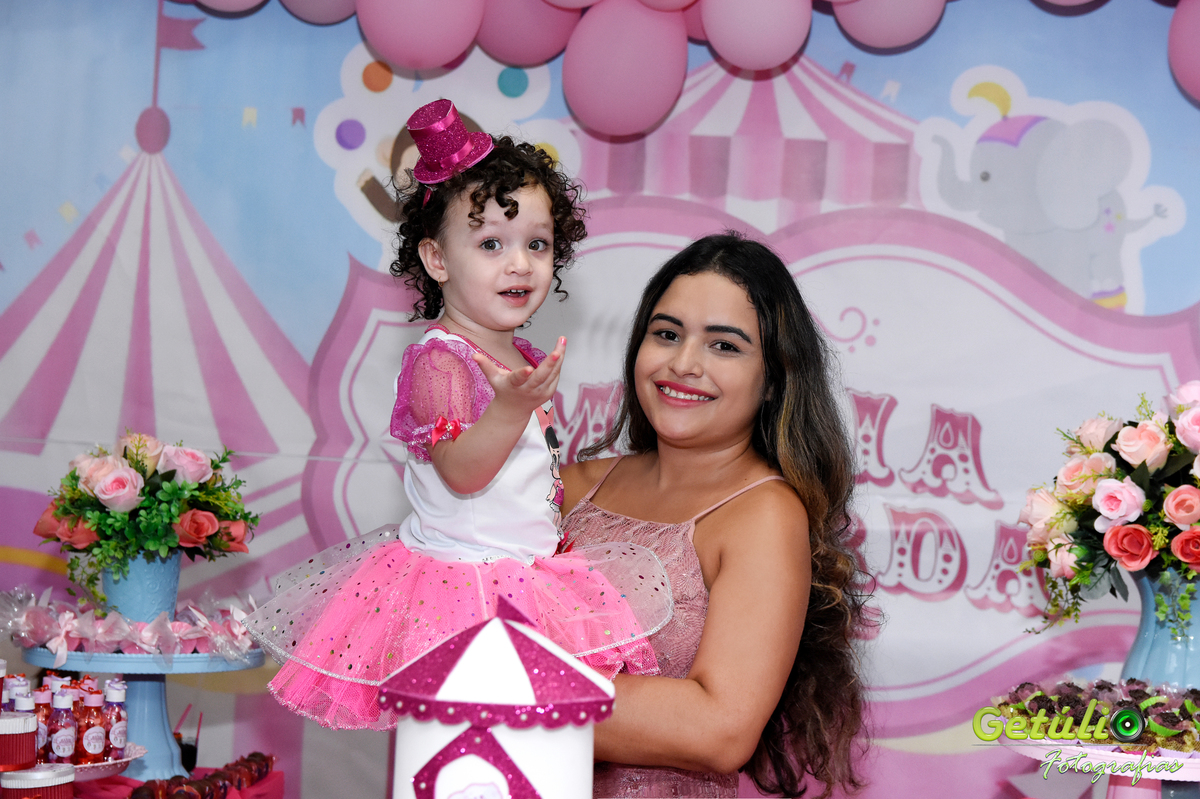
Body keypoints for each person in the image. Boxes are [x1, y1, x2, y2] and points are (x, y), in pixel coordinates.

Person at [244, 99, 671, 731]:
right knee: (466, 742)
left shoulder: (518, 354)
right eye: (491, 243)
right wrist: (513, 406)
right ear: (437, 260)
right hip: (461, 591)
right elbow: (463, 472)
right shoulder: (441, 360)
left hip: (523, 576)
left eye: (537, 244)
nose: (520, 263)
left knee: (524, 740)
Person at [558, 232, 870, 798]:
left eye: (724, 346)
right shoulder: (568, 487)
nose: (684, 363)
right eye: (667, 334)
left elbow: (719, 729)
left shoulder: (763, 514)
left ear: (774, 379)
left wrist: (509, 690)